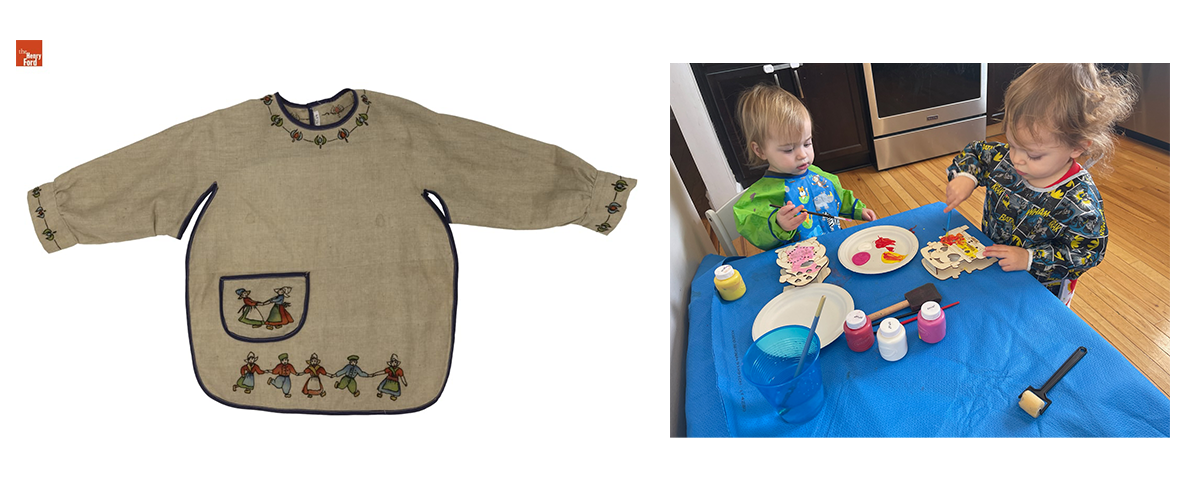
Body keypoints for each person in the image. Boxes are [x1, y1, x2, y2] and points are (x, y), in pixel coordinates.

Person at [943, 63, 1136, 307]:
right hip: (992, 263)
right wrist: (966, 177)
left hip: (1041, 288)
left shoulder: (1080, 203)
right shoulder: (1005, 158)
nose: (1016, 158)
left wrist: (1030, 259)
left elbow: (1087, 253)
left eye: (1033, 155)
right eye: (1012, 143)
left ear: (1077, 147)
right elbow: (977, 154)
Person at [732, 83, 877, 251]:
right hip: (799, 264)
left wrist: (858, 210)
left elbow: (838, 196)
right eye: (788, 149)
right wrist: (778, 224)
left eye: (807, 143)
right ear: (760, 150)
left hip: (834, 247)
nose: (802, 155)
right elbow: (752, 227)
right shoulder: (761, 196)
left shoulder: (818, 175)